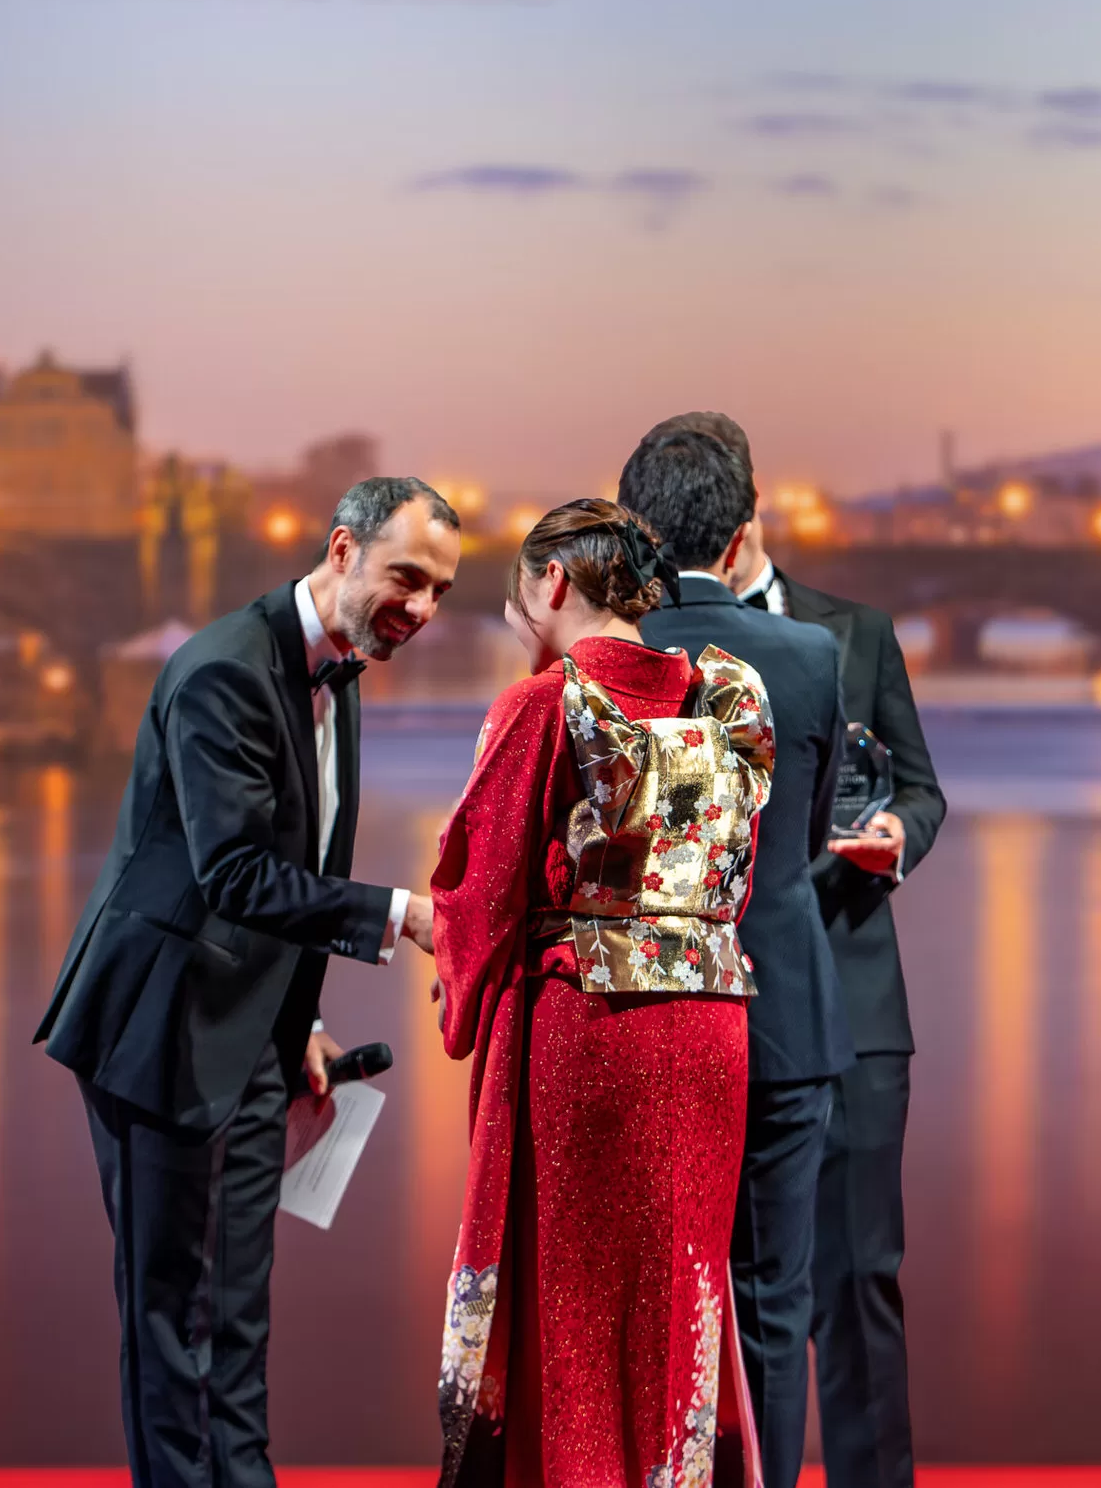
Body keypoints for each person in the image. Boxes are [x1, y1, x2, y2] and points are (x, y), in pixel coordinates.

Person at [35, 478, 462, 1488]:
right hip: (164, 1032)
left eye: (441, 590)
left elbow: (285, 871)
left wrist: (299, 1016)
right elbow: (232, 873)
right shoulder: (224, 669)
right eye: (407, 576)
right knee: (177, 1322)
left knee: (233, 1321)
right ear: (343, 548)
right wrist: (406, 914)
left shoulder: (337, 669)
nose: (422, 606)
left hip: (254, 1033)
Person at [431, 499, 774, 1488]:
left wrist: (456, 980)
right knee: (680, 1282)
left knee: (574, 1302)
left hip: (591, 1025)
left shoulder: (546, 704)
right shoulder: (723, 698)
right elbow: (731, 882)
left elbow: (481, 887)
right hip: (710, 1025)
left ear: (551, 581)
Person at [646, 411, 946, 1488]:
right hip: (707, 1001)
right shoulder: (640, 644)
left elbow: (921, 786)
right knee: (724, 1283)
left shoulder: (851, 633)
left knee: (857, 1281)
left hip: (846, 992)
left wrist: (899, 833)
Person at [622, 431, 848, 1488]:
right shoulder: (811, 656)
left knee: (643, 1294)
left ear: (634, 527)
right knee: (771, 1301)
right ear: (742, 529)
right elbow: (807, 838)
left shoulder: (602, 659)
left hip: (644, 1014)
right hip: (783, 1012)